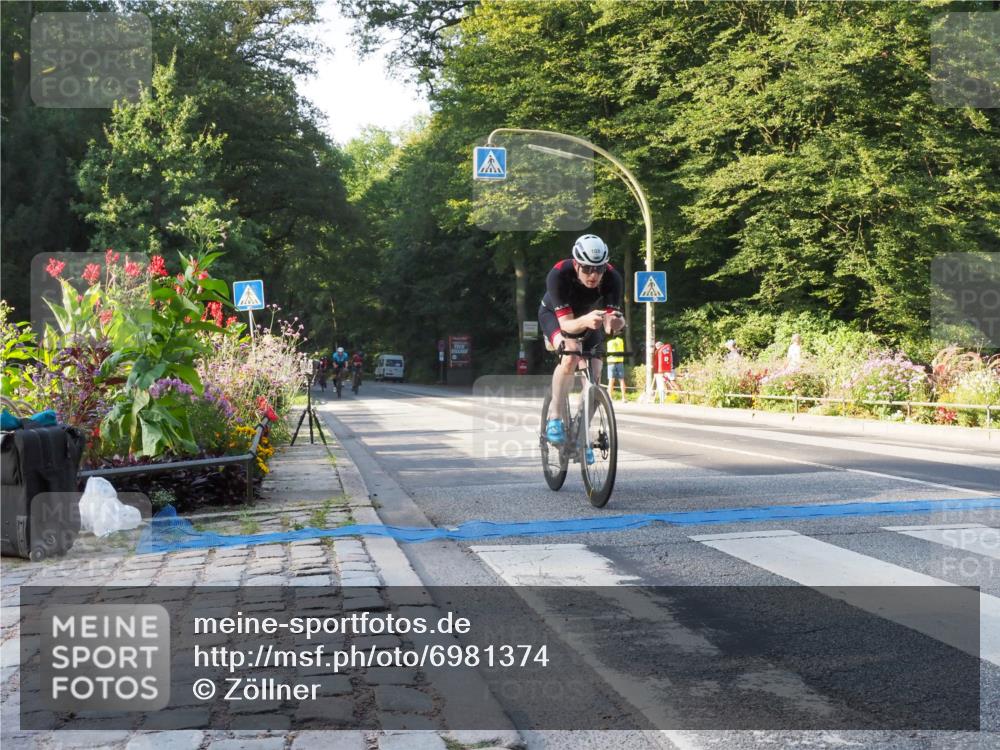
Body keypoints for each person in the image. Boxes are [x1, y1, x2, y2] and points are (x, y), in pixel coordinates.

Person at [538, 234, 626, 450]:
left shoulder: (613, 278)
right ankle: (556, 417)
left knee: (595, 374)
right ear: (576, 264)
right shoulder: (558, 275)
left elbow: (611, 324)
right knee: (570, 353)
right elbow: (568, 325)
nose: (593, 275)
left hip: (589, 316)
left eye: (599, 269)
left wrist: (616, 323)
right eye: (586, 268)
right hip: (556, 316)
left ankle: (580, 432)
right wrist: (587, 321)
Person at [606, 333, 626, 402]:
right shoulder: (620, 341)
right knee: (621, 380)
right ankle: (624, 398)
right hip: (620, 361)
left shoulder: (609, 342)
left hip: (611, 362)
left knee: (611, 380)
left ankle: (610, 398)